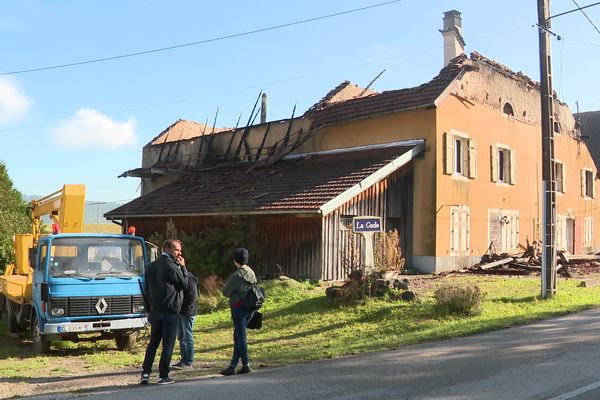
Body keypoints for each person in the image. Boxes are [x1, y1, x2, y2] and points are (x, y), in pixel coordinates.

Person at [140, 239, 188, 385]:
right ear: (166, 248)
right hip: (170, 311)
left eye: (179, 250)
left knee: (153, 344)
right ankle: (163, 375)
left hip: (155, 311)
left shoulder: (151, 266)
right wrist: (183, 268)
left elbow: (146, 290)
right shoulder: (171, 266)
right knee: (168, 344)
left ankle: (145, 373)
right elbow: (184, 284)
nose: (179, 253)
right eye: (176, 250)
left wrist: (150, 308)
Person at [220, 247, 257, 376]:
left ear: (235, 260)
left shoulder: (236, 276)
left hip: (238, 308)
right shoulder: (251, 272)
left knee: (240, 337)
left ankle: (245, 364)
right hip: (250, 307)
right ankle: (233, 365)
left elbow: (225, 292)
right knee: (238, 336)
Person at [171, 271, 198, 369]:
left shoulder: (189, 278)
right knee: (181, 336)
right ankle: (183, 360)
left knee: (187, 336)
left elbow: (192, 296)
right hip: (180, 311)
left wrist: (184, 309)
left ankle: (189, 361)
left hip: (187, 312)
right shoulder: (178, 277)